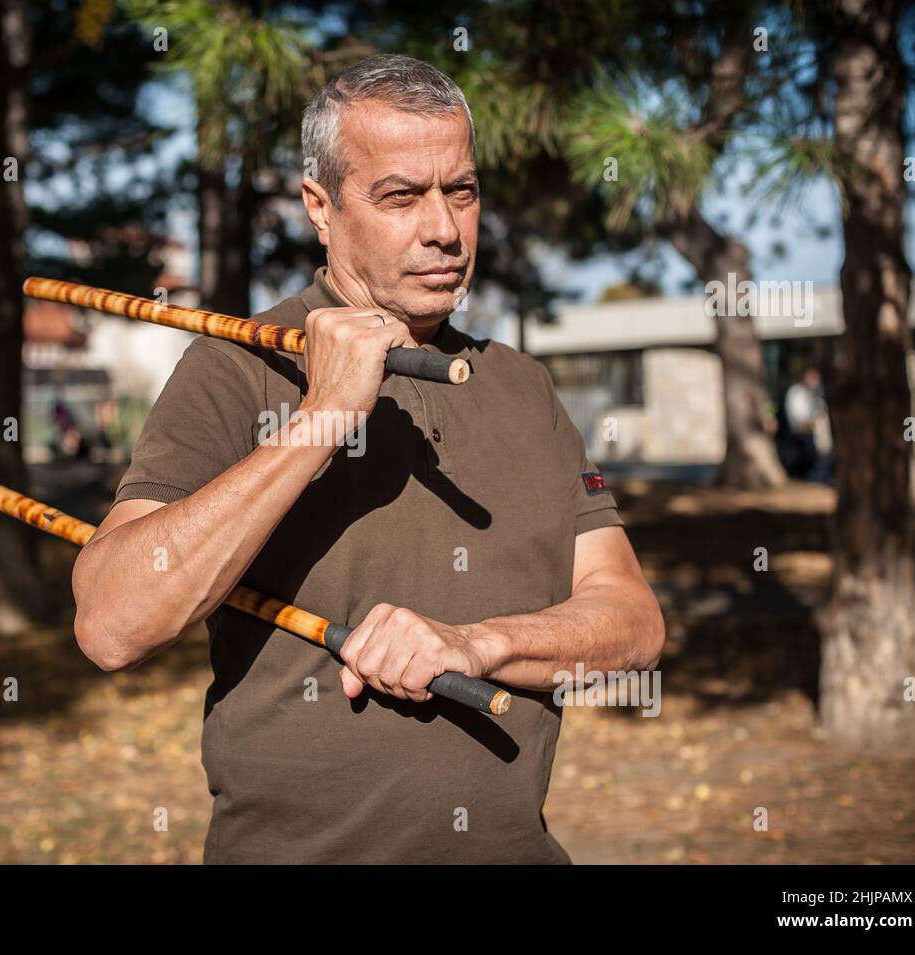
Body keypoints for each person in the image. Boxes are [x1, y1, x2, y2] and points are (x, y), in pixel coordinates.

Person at [71, 54, 664, 864]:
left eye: (461, 190)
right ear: (321, 207)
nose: (445, 228)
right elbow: (112, 621)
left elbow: (632, 622)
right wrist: (321, 418)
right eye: (400, 196)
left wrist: (475, 644)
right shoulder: (237, 367)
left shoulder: (523, 386)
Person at [781, 366, 825, 479]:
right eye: (813, 377)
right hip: (798, 436)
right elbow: (797, 417)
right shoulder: (796, 391)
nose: (815, 381)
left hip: (810, 433)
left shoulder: (815, 393)